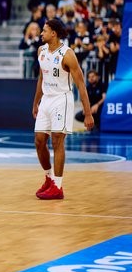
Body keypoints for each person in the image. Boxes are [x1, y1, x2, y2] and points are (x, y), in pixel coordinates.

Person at [32, 18, 94, 200]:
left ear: (54, 33)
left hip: (62, 99)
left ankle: (57, 187)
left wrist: (88, 113)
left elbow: (81, 85)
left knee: (57, 141)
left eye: (44, 30)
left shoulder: (67, 54)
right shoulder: (41, 51)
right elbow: (41, 78)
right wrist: (36, 102)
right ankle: (49, 178)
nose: (41, 33)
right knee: (39, 141)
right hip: (46, 100)